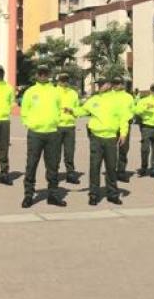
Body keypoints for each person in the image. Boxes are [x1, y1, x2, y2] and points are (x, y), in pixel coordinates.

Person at [76, 77, 127, 205]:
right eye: (98, 85)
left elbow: (124, 117)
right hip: (96, 138)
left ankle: (112, 194)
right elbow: (82, 111)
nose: (99, 87)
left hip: (111, 138)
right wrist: (71, 111)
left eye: (101, 84)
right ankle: (93, 195)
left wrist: (123, 133)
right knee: (94, 167)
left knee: (111, 168)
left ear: (109, 85)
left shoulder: (117, 100)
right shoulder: (94, 100)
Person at [20, 65, 65, 208]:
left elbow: (60, 109)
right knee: (31, 164)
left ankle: (53, 195)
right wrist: (30, 124)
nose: (43, 76)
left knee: (53, 166)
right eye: (40, 73)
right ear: (37, 75)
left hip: (52, 133)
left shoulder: (56, 91)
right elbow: (24, 111)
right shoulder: (30, 91)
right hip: (35, 134)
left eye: (46, 73)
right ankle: (28, 195)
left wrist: (56, 122)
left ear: (49, 74)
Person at [134, 84, 154, 178]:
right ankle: (144, 167)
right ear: (150, 90)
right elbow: (137, 111)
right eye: (153, 90)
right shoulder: (144, 100)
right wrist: (146, 107)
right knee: (145, 149)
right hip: (146, 127)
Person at [109, 78, 137, 181]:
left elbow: (133, 109)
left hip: (125, 126)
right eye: (114, 83)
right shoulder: (108, 96)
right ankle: (111, 171)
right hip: (112, 126)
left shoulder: (128, 97)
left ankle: (121, 172)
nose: (116, 85)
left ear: (122, 84)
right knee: (110, 151)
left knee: (124, 149)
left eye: (118, 83)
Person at [55, 72, 80, 184]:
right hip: (57, 126)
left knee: (70, 152)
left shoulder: (73, 93)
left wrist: (72, 111)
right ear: (58, 80)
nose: (64, 82)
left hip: (70, 126)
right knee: (55, 152)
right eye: (62, 79)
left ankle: (70, 173)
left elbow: (77, 109)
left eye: (66, 79)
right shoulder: (53, 92)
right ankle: (53, 174)